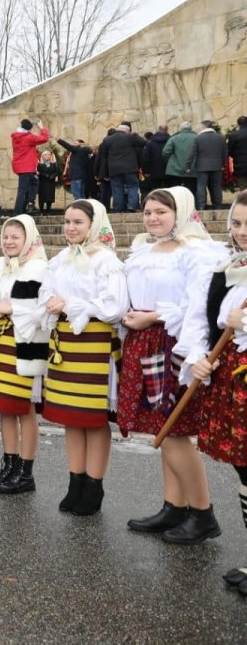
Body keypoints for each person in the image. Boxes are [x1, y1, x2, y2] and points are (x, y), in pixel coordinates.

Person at [119, 187, 226, 544]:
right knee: (162, 431)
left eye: (160, 212)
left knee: (175, 430)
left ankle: (202, 513)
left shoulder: (198, 251)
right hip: (144, 341)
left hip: (174, 342)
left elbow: (198, 306)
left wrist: (153, 315)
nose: (152, 218)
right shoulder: (143, 249)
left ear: (179, 212)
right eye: (148, 212)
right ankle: (174, 506)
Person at [39, 199, 127, 515]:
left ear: (93, 225)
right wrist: (50, 302)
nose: (71, 228)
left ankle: (94, 485)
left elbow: (114, 307)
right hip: (65, 343)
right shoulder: (60, 258)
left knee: (93, 417)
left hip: (94, 343)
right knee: (70, 418)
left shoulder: (106, 260)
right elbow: (47, 291)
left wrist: (70, 304)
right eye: (67, 222)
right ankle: (75, 480)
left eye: (78, 222)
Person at [189, 192, 247, 593]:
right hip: (232, 380)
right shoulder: (229, 270)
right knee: (244, 469)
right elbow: (208, 321)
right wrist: (200, 356)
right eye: (237, 223)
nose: (240, 232)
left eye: (246, 224)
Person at [0, 215, 49, 494]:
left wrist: (12, 309)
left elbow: (43, 310)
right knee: (4, 408)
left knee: (25, 409)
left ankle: (26, 471)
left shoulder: (40, 267)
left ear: (28, 239)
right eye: (6, 237)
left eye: (15, 237)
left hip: (26, 343)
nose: (9, 242)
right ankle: (8, 464)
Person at [101, 123, 147, 212]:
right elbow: (143, 143)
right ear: (128, 131)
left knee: (117, 189)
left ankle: (118, 209)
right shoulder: (131, 136)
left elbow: (104, 156)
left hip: (114, 170)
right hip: (129, 168)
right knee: (132, 186)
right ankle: (132, 207)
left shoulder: (107, 140)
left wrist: (105, 172)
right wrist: (135, 135)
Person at [11, 118, 49, 214]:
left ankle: (29, 204)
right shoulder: (28, 137)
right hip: (26, 167)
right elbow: (44, 138)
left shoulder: (17, 136)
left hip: (22, 167)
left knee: (34, 183)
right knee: (22, 190)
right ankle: (18, 212)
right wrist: (41, 127)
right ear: (29, 129)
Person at [194, 119, 228, 210]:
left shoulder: (197, 138)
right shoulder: (221, 137)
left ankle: (201, 206)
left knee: (201, 186)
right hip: (217, 166)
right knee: (217, 186)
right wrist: (223, 164)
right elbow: (225, 153)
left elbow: (193, 153)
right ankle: (217, 205)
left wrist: (188, 166)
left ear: (203, 127)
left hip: (201, 166)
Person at [162, 120, 198, 194]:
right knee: (191, 192)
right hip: (193, 169)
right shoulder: (197, 137)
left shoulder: (174, 138)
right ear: (190, 128)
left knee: (175, 192)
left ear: (180, 128)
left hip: (175, 170)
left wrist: (169, 162)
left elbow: (165, 152)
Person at [141, 126, 171, 194]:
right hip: (168, 171)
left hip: (154, 172)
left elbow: (145, 158)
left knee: (156, 191)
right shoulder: (171, 140)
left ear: (157, 130)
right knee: (168, 191)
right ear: (167, 130)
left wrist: (146, 171)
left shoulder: (150, 143)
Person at [227, 116, 247, 190]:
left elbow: (229, 151)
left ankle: (244, 201)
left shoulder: (234, 135)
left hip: (240, 167)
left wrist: (236, 156)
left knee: (243, 187)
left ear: (238, 124)